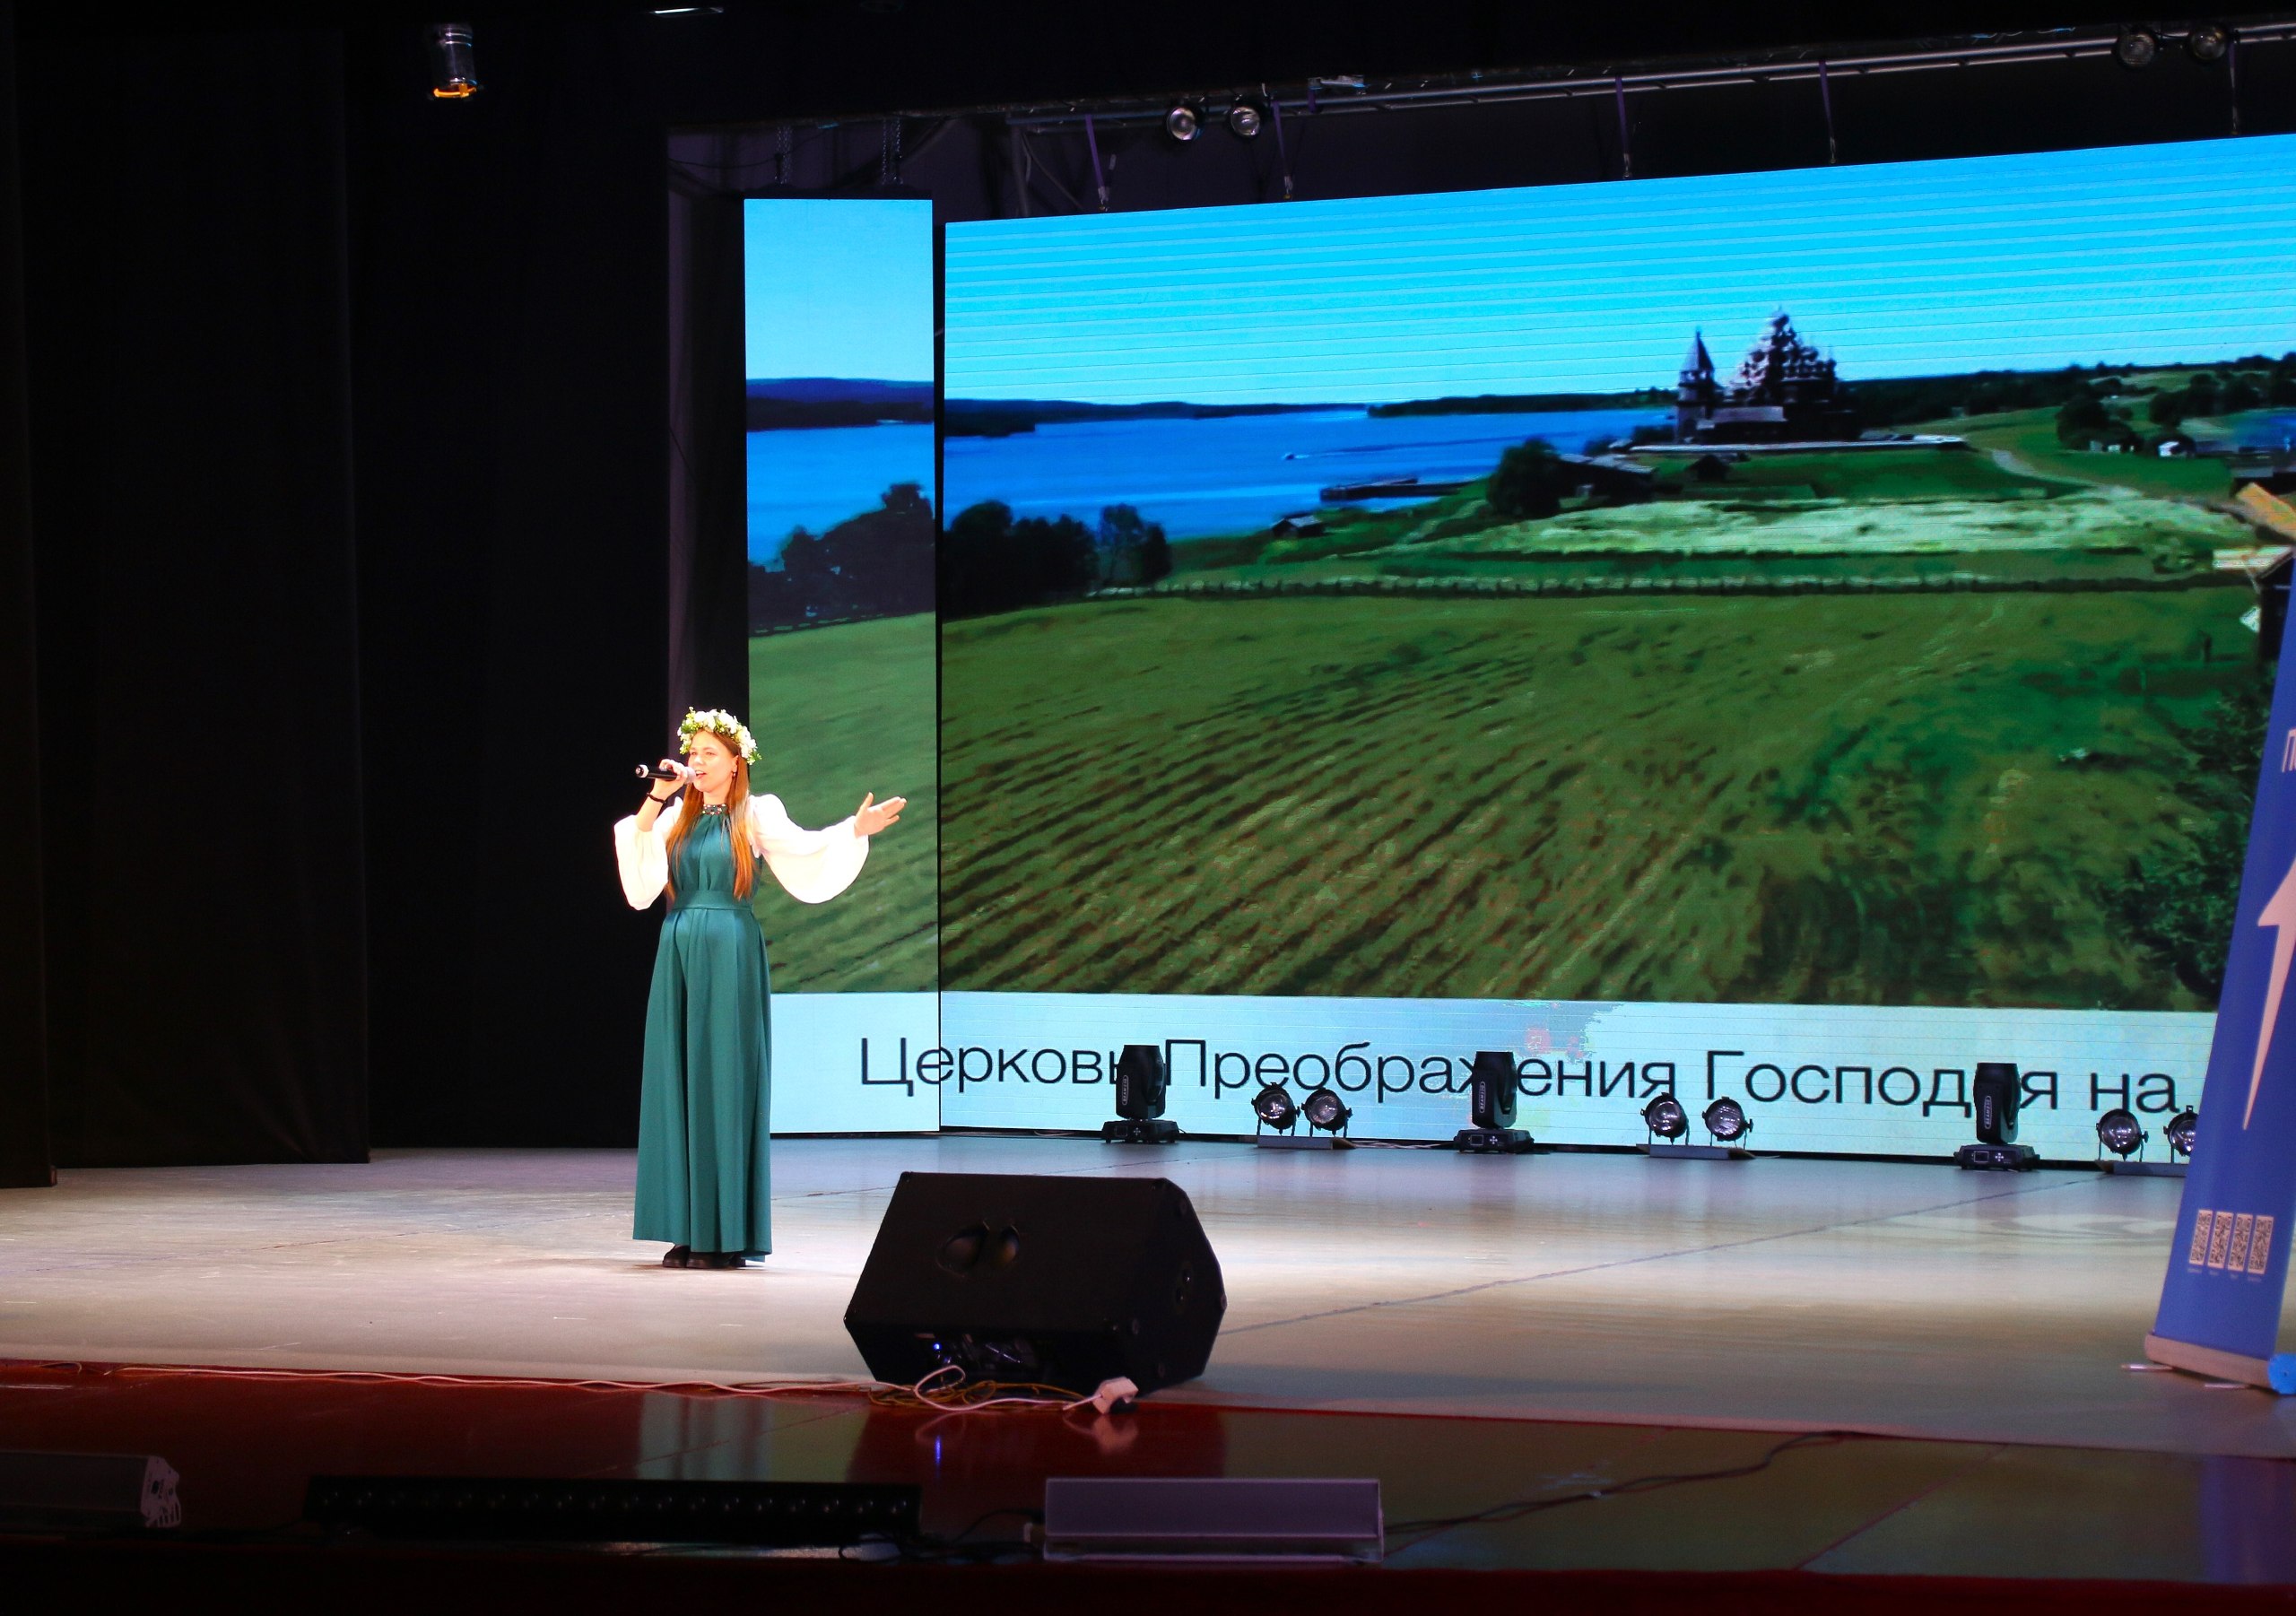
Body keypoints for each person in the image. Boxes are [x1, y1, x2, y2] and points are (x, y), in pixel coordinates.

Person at [613, 708, 904, 1269]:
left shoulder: (755, 813)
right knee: (681, 1080)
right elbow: (640, 879)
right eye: (692, 754)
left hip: (729, 949)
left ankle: (725, 1233)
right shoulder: (674, 815)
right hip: (678, 947)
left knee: (723, 1079)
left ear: (734, 762)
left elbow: (806, 848)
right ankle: (687, 1230)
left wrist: (853, 830)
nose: (696, 763)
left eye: (708, 755)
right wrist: (657, 795)